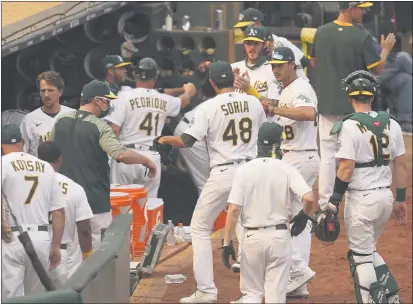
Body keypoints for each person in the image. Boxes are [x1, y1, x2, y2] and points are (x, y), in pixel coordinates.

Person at [152, 61, 267, 303]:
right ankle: (253, 293)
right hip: (251, 169)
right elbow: (264, 132)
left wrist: (164, 139)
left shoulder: (208, 107)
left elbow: (186, 141)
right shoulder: (253, 102)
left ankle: (206, 290)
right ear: (232, 81)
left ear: (213, 83)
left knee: (200, 227)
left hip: (224, 172)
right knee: (248, 226)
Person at [234, 47, 319, 297]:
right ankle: (298, 277)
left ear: (292, 65)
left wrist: (277, 110)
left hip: (300, 156)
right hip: (298, 155)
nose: (276, 69)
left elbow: (308, 113)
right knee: (294, 219)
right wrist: (251, 90)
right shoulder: (289, 89)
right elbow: (273, 103)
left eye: (281, 65)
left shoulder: (301, 87)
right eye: (273, 66)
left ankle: (298, 269)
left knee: (283, 217)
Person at [319, 70, 406, 303]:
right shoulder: (392, 124)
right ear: (372, 96)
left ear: (350, 98)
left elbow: (346, 168)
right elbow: (401, 165)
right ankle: (391, 294)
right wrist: (400, 199)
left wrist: (333, 202)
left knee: (360, 257)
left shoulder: (348, 126)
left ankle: (371, 300)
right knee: (369, 249)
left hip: (361, 202)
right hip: (385, 199)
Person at [309, 1, 397, 211]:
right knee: (354, 156)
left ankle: (325, 204)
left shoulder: (320, 32)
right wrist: (385, 50)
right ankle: (351, 201)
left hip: (327, 103)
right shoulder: (361, 36)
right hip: (354, 105)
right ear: (351, 8)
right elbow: (377, 68)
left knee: (328, 157)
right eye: (361, 7)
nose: (364, 11)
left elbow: (313, 62)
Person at [49, 80, 157, 251]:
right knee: (99, 252)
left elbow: (49, 150)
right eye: (107, 101)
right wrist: (147, 161)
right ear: (97, 100)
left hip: (64, 200)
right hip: (94, 200)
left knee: (68, 251)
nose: (108, 105)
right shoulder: (100, 126)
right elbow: (120, 154)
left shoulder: (61, 120)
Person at [221, 122, 315, 303]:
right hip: (279, 237)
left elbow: (233, 209)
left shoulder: (244, 170)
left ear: (258, 143)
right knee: (275, 295)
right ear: (279, 143)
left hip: (252, 238)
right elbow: (309, 198)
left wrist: (227, 242)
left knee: (252, 294)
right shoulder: (287, 168)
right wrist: (304, 215)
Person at [105, 57, 196, 197]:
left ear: (135, 75)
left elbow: (114, 130)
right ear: (154, 77)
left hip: (126, 155)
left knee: (121, 205)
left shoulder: (123, 96)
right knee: (148, 207)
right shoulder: (162, 99)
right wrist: (188, 91)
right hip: (151, 157)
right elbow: (182, 102)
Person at [1, 124, 65, 298]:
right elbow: (58, 211)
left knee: (11, 297)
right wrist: (56, 246)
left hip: (11, 238)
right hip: (41, 238)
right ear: (22, 142)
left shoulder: (3, 163)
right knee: (36, 298)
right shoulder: (45, 167)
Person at [37, 141, 94, 286]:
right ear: (59, 159)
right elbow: (84, 229)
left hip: (35, 251)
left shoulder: (29, 184)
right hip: (63, 256)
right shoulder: (75, 188)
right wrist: (87, 257)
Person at [173, 65, 216, 195]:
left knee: (214, 181)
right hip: (190, 130)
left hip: (194, 128)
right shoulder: (222, 97)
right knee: (208, 184)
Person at [232, 7, 309, 80]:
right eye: (242, 29)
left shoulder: (276, 43)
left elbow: (303, 61)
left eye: (245, 28)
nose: (244, 31)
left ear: (257, 24)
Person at [20, 71, 74, 157]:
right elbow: (22, 153)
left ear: (60, 92)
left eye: (50, 90)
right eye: (43, 91)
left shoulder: (73, 115)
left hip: (66, 168)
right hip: (39, 168)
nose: (46, 95)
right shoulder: (29, 120)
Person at [231, 25, 280, 101]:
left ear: (264, 45)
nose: (252, 47)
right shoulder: (233, 68)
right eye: (248, 43)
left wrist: (250, 91)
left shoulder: (273, 70)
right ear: (244, 45)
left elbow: (275, 104)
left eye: (256, 43)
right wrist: (231, 88)